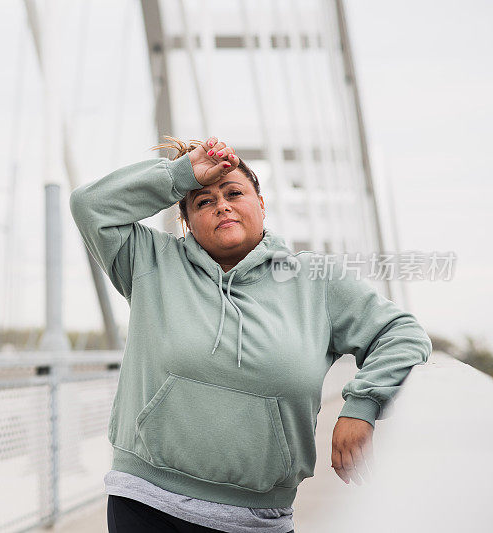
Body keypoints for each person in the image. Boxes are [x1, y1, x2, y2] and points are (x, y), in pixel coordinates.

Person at [68, 135, 433, 533]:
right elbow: (90, 206)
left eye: (233, 193)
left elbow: (401, 334)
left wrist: (362, 405)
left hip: (257, 519)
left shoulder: (314, 280)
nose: (221, 205)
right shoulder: (149, 261)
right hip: (147, 502)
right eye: (203, 201)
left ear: (261, 203)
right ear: (187, 222)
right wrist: (180, 174)